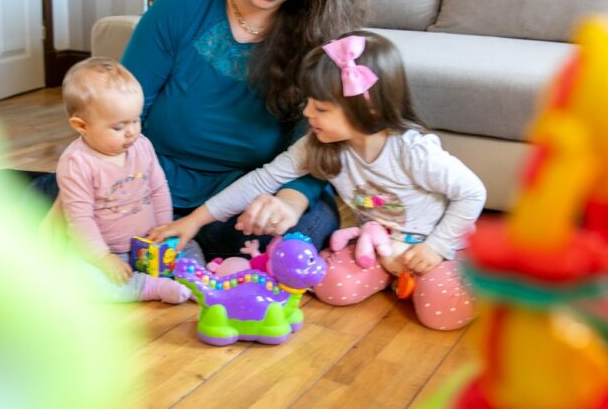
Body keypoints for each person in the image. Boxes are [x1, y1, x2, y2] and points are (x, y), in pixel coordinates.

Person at [151, 32, 486, 330]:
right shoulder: (320, 146)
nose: (308, 114)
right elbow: (262, 180)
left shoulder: (412, 151)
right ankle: (391, 275)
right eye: (308, 103)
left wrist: (437, 247)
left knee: (442, 315)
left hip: (436, 247)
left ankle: (467, 273)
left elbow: (472, 193)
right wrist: (195, 221)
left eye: (321, 108)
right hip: (376, 244)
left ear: (366, 111)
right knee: (331, 288)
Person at [117, 0, 366, 259]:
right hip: (157, 180)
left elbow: (317, 140)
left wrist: (289, 201)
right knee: (53, 202)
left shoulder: (317, 27)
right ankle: (185, 246)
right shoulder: (184, 0)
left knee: (294, 238)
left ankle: (178, 247)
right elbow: (126, 107)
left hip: (252, 190)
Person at [56, 57, 199, 304]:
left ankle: (195, 279)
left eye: (136, 120)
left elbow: (158, 188)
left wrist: (165, 230)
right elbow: (80, 218)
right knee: (80, 279)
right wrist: (101, 257)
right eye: (119, 126)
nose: (132, 131)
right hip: (108, 252)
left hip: (148, 244)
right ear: (81, 126)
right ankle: (147, 288)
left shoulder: (142, 146)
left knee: (191, 248)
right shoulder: (77, 163)